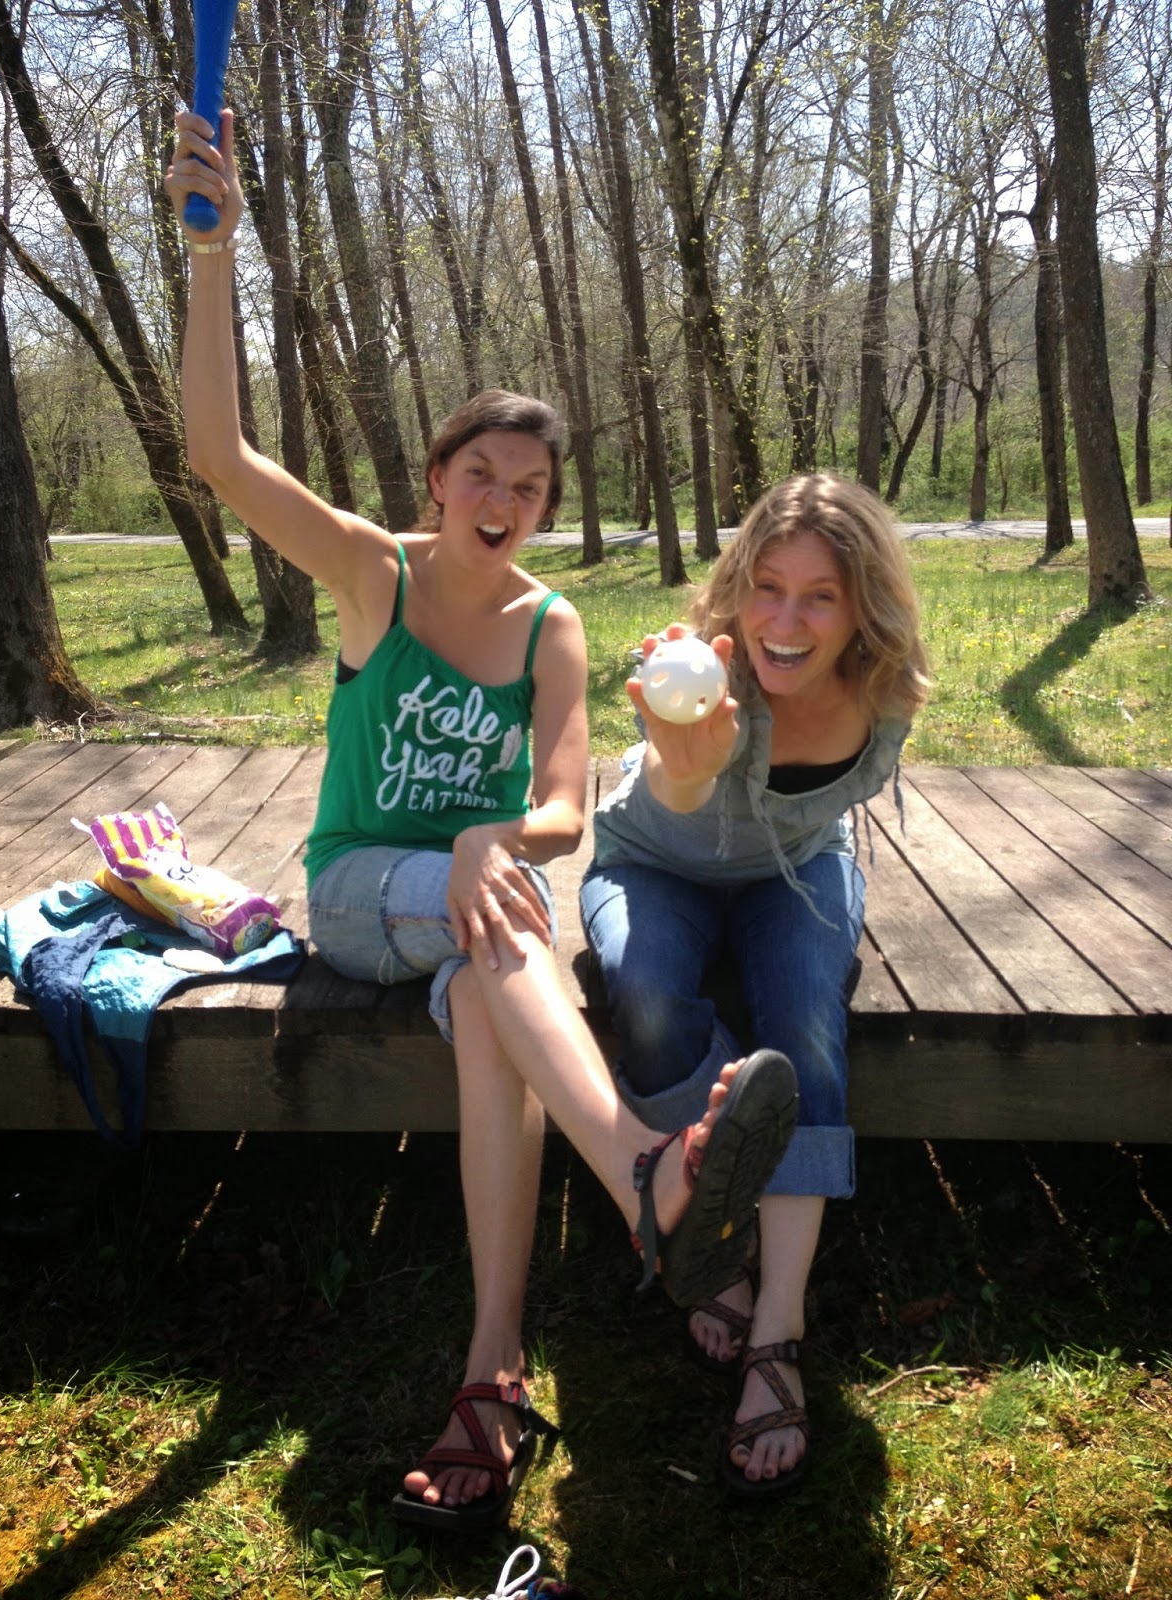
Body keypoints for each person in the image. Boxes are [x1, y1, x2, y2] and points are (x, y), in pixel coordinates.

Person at [164, 112, 799, 1532]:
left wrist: (491, 838)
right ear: (438, 478)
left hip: (479, 911)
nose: (504, 502)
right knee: (495, 922)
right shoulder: (370, 573)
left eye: (530, 488)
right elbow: (216, 450)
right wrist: (212, 258)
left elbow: (565, 805)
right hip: (356, 894)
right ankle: (644, 1173)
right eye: (481, 476)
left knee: (498, 1014)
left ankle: (492, 1372)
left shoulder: (550, 623)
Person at [579, 473, 929, 1495]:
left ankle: (778, 1321)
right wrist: (688, 761)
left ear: (863, 606)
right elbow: (673, 793)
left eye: (820, 596)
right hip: (656, 863)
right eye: (767, 588)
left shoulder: (883, 694)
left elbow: (833, 813)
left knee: (806, 1023)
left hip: (800, 870)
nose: (785, 620)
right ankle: (719, 1231)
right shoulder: (701, 678)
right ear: (738, 589)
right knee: (644, 996)